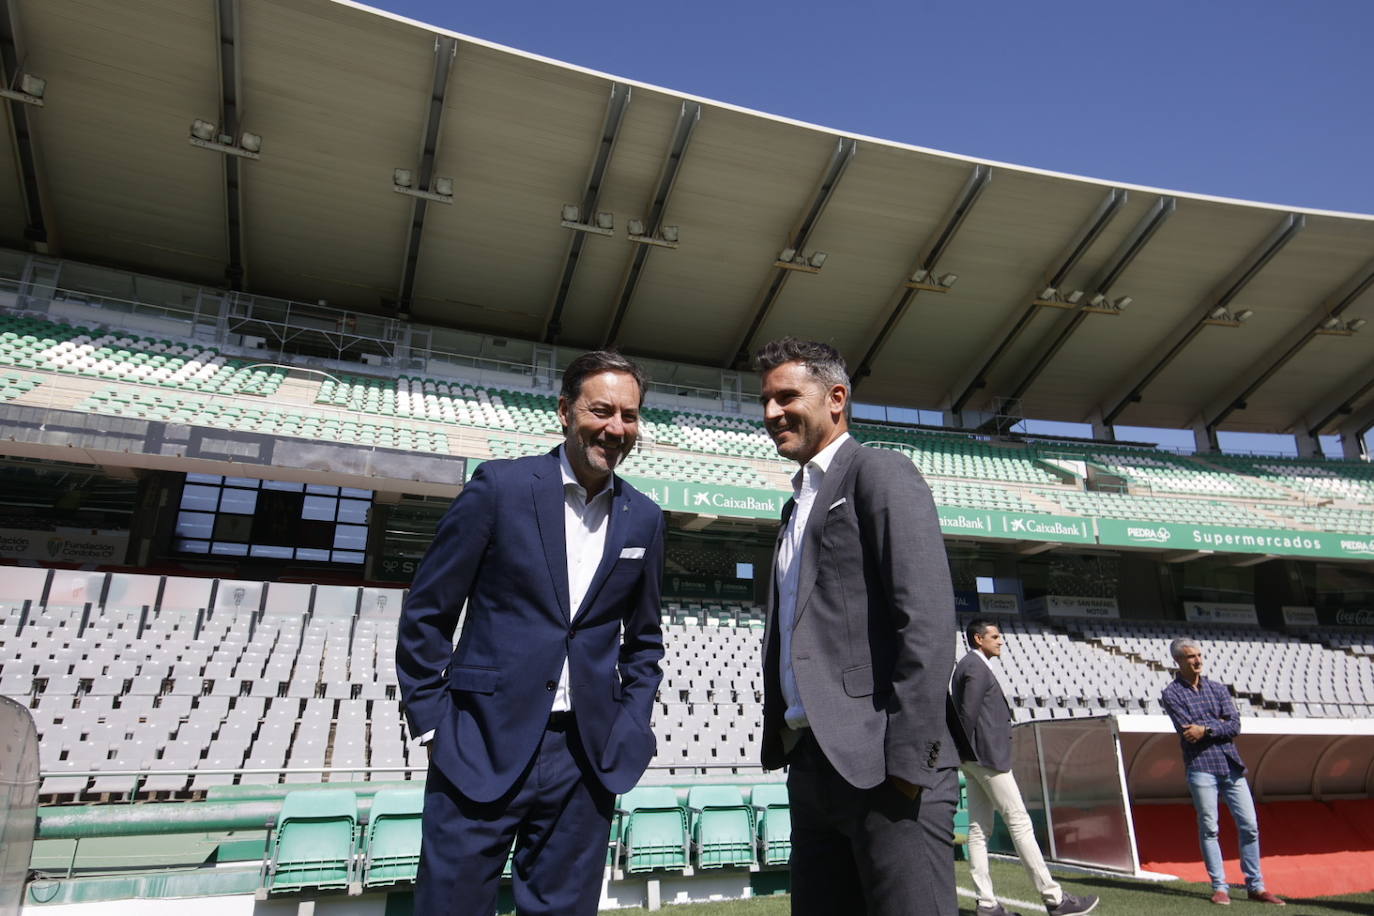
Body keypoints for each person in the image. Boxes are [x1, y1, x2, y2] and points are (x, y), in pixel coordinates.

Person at [396, 350, 665, 916]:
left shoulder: (645, 516)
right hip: (479, 743)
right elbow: (428, 610)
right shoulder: (500, 487)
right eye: (601, 410)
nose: (616, 429)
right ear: (566, 410)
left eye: (630, 416)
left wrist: (630, 722)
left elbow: (644, 641)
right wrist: (433, 724)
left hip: (586, 757)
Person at [755, 336, 960, 916]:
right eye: (766, 400)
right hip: (813, 767)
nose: (771, 413)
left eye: (787, 396)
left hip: (884, 769)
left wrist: (907, 767)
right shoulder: (795, 506)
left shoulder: (880, 472)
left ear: (836, 397)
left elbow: (925, 620)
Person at [951, 620, 1099, 916]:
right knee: (1019, 822)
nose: (1001, 641)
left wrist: (964, 757)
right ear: (979, 639)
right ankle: (1054, 898)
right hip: (987, 759)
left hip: (976, 759)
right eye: (995, 637)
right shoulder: (975, 667)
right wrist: (964, 753)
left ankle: (986, 903)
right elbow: (966, 715)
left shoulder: (970, 665)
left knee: (979, 830)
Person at [1160, 638, 1285, 906]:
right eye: (1191, 656)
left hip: (1231, 765)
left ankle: (1256, 886)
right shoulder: (1171, 694)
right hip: (1201, 767)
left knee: (1249, 826)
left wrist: (1206, 728)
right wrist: (1217, 725)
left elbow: (1235, 726)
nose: (1198, 660)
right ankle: (1220, 887)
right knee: (1209, 828)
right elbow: (1188, 732)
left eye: (1199, 655)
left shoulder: (1218, 689)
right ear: (1178, 661)